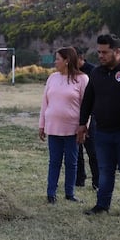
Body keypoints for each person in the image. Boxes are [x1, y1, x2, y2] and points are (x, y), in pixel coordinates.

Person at [77, 34, 120, 219]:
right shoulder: (96, 72)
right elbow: (88, 99)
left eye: (105, 52)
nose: (101, 56)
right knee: (105, 170)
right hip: (102, 131)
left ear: (117, 51)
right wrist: (82, 124)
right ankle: (101, 205)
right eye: (99, 52)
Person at [39, 47, 88, 203]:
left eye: (58, 59)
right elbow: (45, 102)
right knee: (54, 161)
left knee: (71, 162)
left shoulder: (82, 79)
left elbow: (86, 106)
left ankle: (69, 193)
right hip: (53, 126)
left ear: (66, 61)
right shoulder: (52, 78)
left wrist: (84, 126)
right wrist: (42, 125)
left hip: (73, 128)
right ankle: (51, 193)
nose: (55, 62)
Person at [74, 49, 99, 191]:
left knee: (92, 151)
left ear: (80, 57)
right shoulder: (70, 73)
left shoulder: (93, 71)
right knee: (76, 151)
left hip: (91, 116)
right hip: (75, 116)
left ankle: (97, 181)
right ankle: (79, 179)